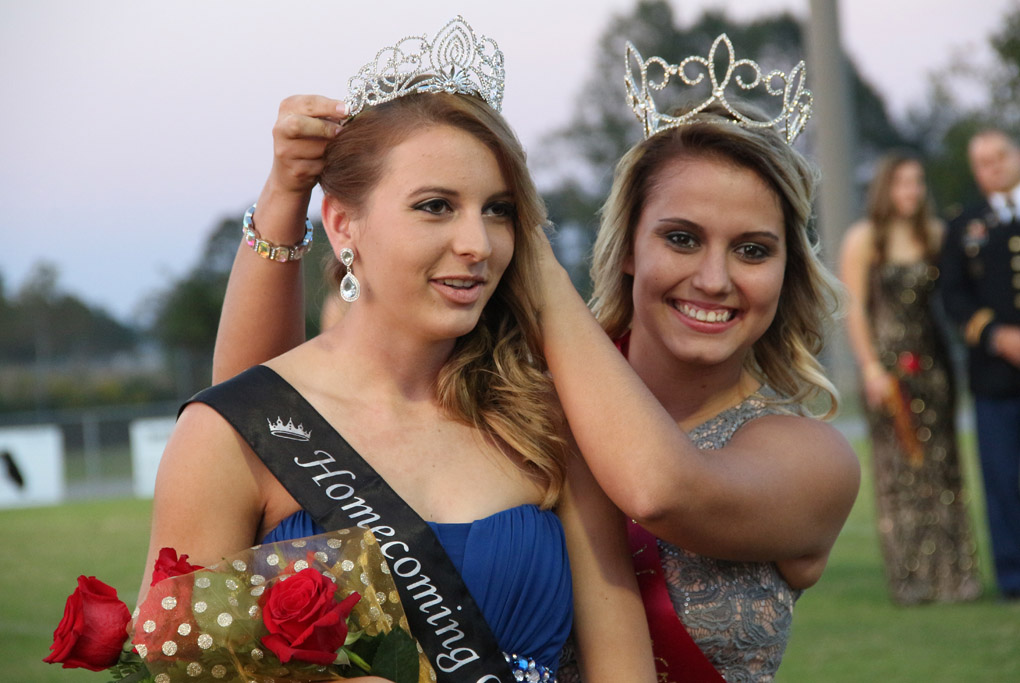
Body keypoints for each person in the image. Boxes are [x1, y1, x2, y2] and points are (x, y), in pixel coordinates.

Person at [214, 37, 860, 682]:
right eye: (681, 238)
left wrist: (529, 256)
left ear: (789, 269)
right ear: (626, 245)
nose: (714, 279)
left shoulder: (808, 458)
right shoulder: (525, 395)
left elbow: (659, 489)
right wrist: (284, 198)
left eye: (753, 250)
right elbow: (264, 421)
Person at [142, 18, 657, 683]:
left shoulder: (547, 419)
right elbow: (175, 667)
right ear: (342, 223)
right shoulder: (230, 434)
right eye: (436, 206)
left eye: (498, 209)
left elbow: (622, 664)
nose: (477, 243)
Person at [839, 152, 981, 604]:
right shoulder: (864, 238)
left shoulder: (935, 234)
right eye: (902, 182)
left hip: (934, 362)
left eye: (917, 181)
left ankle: (956, 578)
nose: (912, 190)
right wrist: (870, 367)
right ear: (886, 187)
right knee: (899, 469)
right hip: (888, 368)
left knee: (944, 467)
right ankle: (912, 579)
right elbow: (854, 309)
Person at [939, 128, 1020, 600]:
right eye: (983, 162)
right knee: (1003, 480)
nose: (993, 167)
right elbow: (953, 294)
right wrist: (996, 336)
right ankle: (1013, 577)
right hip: (995, 377)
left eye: (1000, 156)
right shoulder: (964, 224)